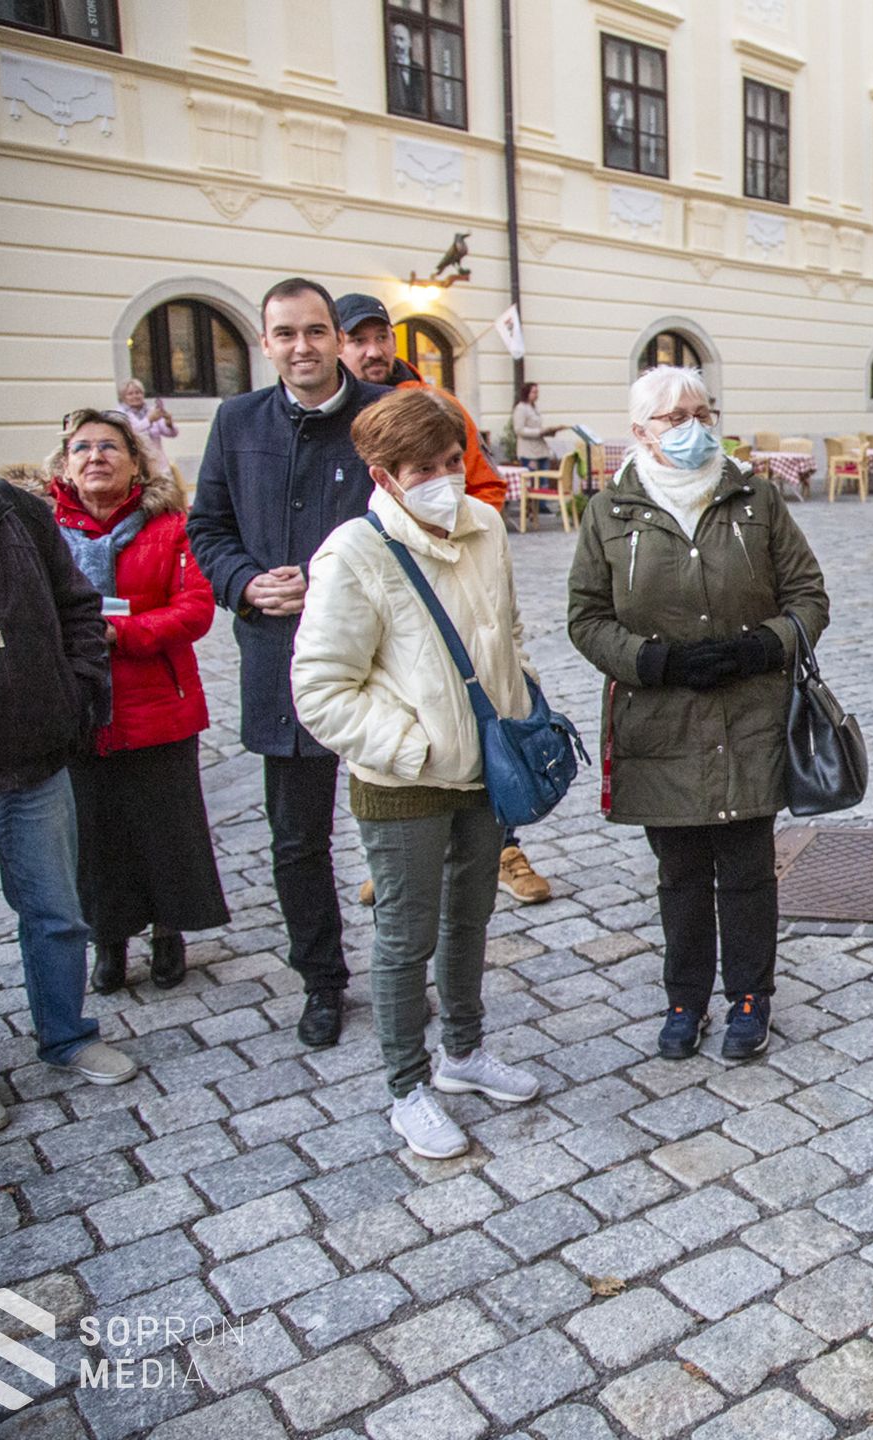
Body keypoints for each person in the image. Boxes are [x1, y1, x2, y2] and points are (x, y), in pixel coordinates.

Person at [290, 388, 543, 1158]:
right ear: (385, 475)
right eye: (422, 468)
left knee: (470, 919)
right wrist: (411, 746)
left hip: (483, 771)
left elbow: (505, 629)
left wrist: (515, 704)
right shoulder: (354, 553)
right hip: (403, 778)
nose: (443, 478)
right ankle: (407, 1088)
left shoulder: (486, 526)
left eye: (450, 462)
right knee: (405, 937)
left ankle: (463, 1054)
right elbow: (321, 688)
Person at [567, 366, 828, 1062]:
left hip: (749, 714)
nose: (691, 429)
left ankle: (750, 996)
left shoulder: (756, 499)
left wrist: (758, 647)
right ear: (640, 433)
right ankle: (685, 998)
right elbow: (586, 619)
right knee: (679, 872)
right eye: (673, 418)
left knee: (747, 868)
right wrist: (654, 662)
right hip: (659, 722)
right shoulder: (608, 513)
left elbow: (808, 595)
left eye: (700, 413)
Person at [188, 277, 391, 1049]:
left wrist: (335, 581)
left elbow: (418, 525)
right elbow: (206, 527)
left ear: (339, 339)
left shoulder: (379, 415)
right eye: (286, 334)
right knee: (297, 839)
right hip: (281, 660)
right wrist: (244, 582)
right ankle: (322, 980)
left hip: (379, 660)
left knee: (398, 831)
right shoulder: (238, 420)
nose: (301, 347)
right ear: (265, 343)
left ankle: (405, 974)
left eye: (315, 331)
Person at [0, 383, 135, 1136]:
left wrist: (81, 693)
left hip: (36, 759)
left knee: (55, 914)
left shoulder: (14, 512)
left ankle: (68, 1034)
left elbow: (79, 607)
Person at [336, 293, 551, 907]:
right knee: (384, 747)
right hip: (376, 603)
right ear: (339, 345)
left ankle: (505, 849)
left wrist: (458, 524)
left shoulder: (436, 403)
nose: (373, 350)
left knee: (484, 730)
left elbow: (479, 482)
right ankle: (398, 858)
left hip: (448, 590)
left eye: (383, 336)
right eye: (360, 339)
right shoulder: (325, 420)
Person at [43, 409, 228, 995]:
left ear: (135, 462)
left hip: (159, 708)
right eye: (82, 448)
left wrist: (124, 634)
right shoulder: (42, 531)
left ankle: (169, 931)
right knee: (95, 839)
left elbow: (194, 608)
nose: (95, 456)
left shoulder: (171, 527)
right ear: (65, 465)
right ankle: (109, 941)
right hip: (79, 713)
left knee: (167, 831)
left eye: (109, 447)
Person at [114, 377, 178, 476]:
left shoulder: (151, 410)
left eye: (138, 393)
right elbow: (130, 432)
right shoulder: (120, 413)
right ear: (123, 397)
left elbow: (171, 434)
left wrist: (169, 423)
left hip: (159, 464)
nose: (135, 396)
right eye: (130, 394)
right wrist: (149, 420)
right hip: (136, 464)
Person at [511, 381, 566, 468]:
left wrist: (550, 431)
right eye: (534, 392)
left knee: (544, 479)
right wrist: (539, 432)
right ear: (526, 393)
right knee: (533, 479)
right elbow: (519, 430)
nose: (536, 395)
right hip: (528, 451)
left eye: (537, 392)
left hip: (541, 450)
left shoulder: (534, 408)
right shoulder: (521, 408)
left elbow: (537, 427)